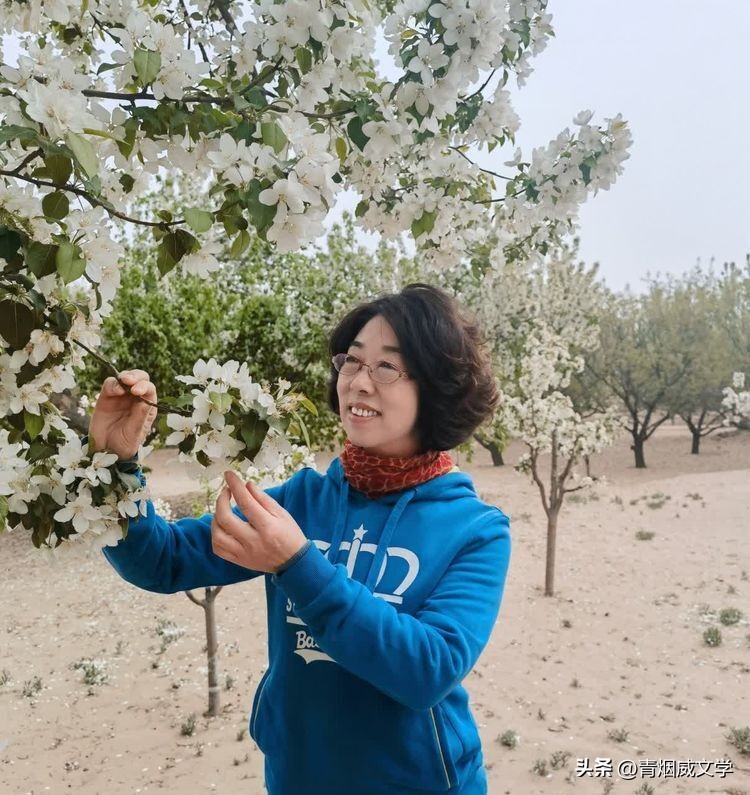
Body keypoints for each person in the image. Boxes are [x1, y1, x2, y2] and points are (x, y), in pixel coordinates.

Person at [95, 283, 512, 795]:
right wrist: (118, 466)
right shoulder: (303, 501)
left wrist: (297, 564)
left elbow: (427, 670)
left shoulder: (476, 530)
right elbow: (162, 561)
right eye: (352, 362)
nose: (359, 382)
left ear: (436, 387)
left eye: (387, 367)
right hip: (297, 778)